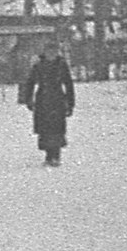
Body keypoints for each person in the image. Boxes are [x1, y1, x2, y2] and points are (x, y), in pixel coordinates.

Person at [19, 40, 77, 168]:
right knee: (45, 130)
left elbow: (68, 84)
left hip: (58, 100)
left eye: (54, 51)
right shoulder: (38, 65)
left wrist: (70, 103)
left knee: (57, 129)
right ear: (45, 52)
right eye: (49, 51)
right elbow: (30, 82)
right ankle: (48, 155)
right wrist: (28, 99)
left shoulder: (61, 65)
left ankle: (56, 155)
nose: (51, 54)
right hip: (43, 100)